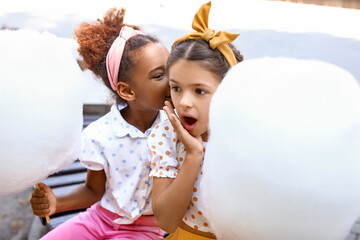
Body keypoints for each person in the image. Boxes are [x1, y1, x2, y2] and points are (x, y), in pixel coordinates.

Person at [30, 7, 170, 240]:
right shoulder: (101, 134)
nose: (171, 81)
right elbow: (93, 190)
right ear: (127, 91)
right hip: (99, 219)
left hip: (145, 228)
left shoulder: (175, 129)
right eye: (158, 76)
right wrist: (55, 203)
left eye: (170, 71)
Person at [147, 2, 244, 239]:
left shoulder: (246, 134)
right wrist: (193, 156)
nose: (184, 103)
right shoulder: (166, 136)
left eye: (199, 91)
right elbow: (167, 222)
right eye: (176, 88)